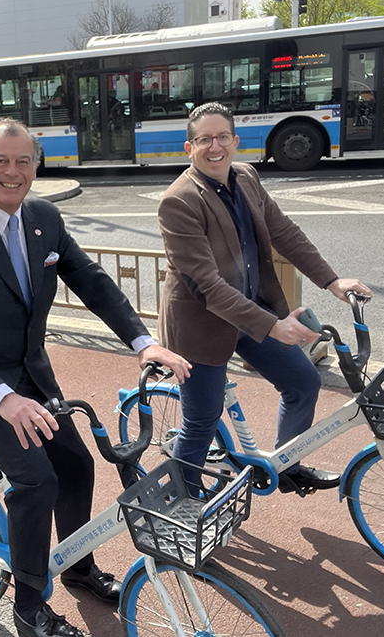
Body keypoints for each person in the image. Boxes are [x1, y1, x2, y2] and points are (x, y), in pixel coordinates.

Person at [0, 117, 190, 637]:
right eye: (1, 160)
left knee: (77, 466)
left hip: (30, 376)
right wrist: (2, 399)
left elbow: (91, 280)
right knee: (36, 479)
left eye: (24, 161)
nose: (12, 171)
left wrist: (144, 341)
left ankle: (78, 565)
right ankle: (28, 606)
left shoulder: (44, 218)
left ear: (36, 166)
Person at [157, 102, 371, 496]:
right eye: (204, 139)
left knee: (303, 382)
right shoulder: (179, 201)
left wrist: (332, 282)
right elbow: (205, 283)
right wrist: (274, 325)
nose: (215, 146)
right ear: (190, 148)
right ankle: (181, 504)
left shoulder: (247, 177)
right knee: (202, 420)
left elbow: (284, 233)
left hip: (251, 312)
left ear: (236, 141)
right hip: (200, 327)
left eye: (222, 137)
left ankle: (286, 466)